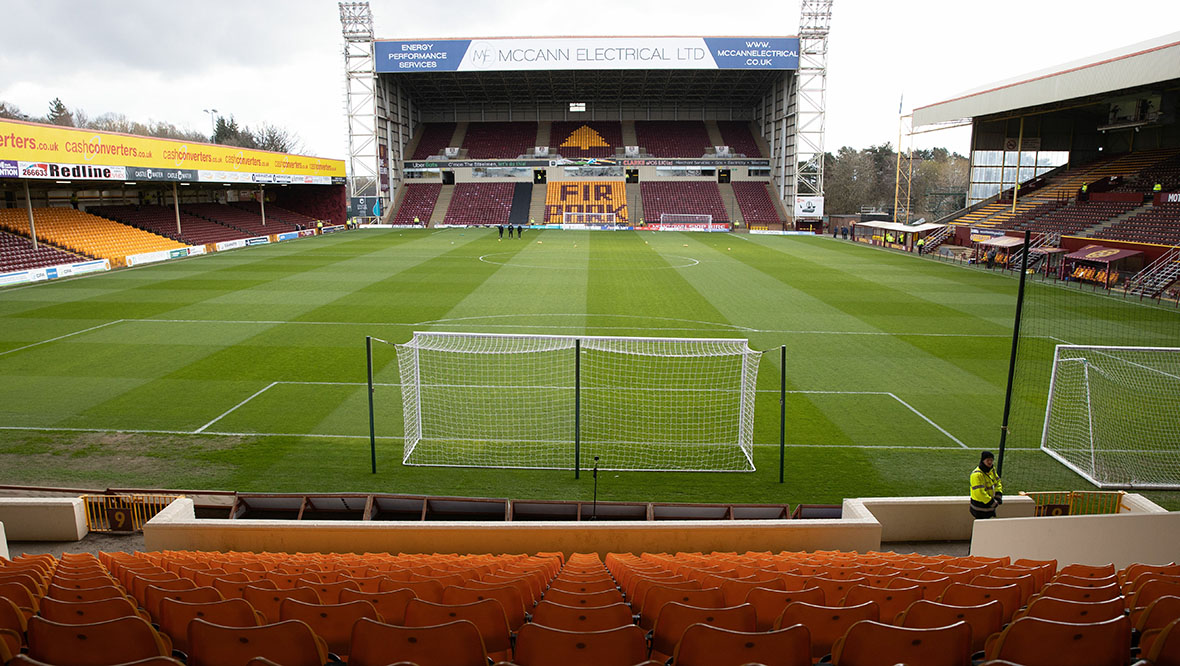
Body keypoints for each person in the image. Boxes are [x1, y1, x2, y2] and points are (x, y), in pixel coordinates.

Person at [969, 450, 1003, 519]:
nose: (990, 462)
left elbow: (997, 482)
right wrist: (991, 502)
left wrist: (998, 494)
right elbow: (979, 493)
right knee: (981, 526)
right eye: (988, 460)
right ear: (983, 461)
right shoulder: (976, 475)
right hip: (979, 509)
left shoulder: (992, 470)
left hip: (989, 508)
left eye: (991, 460)